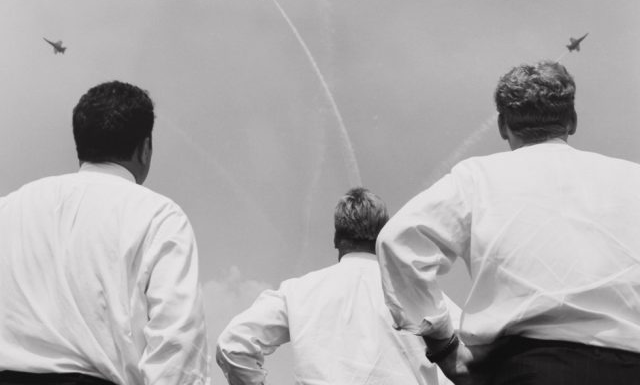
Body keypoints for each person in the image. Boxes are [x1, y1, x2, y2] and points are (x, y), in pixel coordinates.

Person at [376, 61, 640, 384]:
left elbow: (399, 240)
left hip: (530, 369)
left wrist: (444, 347)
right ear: (572, 120)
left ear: (502, 126)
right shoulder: (632, 180)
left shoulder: (476, 179)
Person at [0, 81, 210, 385]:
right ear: (145, 148)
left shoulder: (9, 208)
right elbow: (177, 344)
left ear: (79, 142)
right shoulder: (159, 216)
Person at [216, 187, 460, 385]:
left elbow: (233, 345)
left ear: (336, 239)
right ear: (383, 236)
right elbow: (476, 357)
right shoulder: (421, 295)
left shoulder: (298, 292)